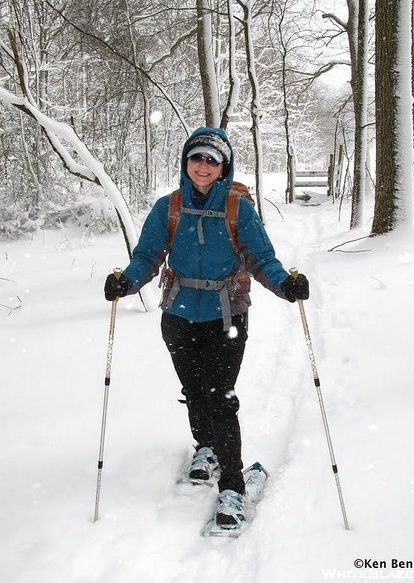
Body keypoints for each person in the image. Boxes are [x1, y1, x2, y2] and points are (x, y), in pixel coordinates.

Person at [104, 126, 309, 530]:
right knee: (194, 390)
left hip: (226, 316)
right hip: (178, 315)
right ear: (186, 162)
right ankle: (206, 449)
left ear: (223, 167)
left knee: (220, 399)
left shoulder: (239, 209)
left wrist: (285, 284)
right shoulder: (169, 207)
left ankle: (231, 487)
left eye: (212, 160)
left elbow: (261, 258)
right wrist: (125, 282)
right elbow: (147, 255)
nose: (203, 165)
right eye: (196, 158)